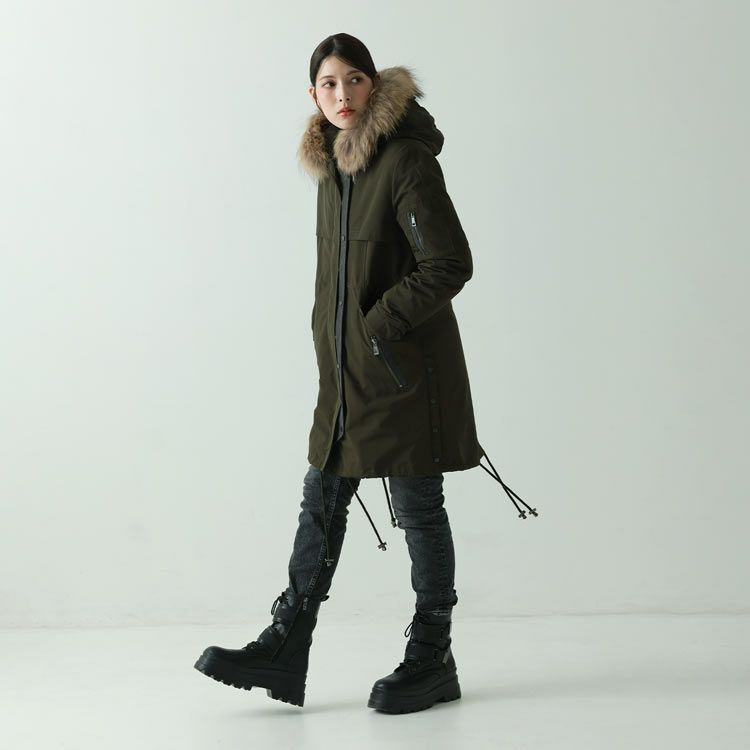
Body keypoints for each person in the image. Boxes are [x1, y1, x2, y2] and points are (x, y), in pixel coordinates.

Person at [195, 32, 535, 714]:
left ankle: (432, 655)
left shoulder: (405, 161)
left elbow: (449, 263)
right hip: (346, 378)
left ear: (373, 85)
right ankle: (286, 644)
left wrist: (377, 326)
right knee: (320, 499)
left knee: (417, 509)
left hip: (403, 376)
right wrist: (343, 341)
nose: (343, 94)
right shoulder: (333, 169)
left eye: (354, 79)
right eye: (329, 83)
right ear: (313, 95)